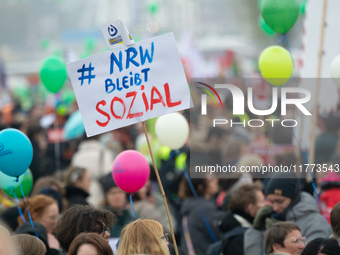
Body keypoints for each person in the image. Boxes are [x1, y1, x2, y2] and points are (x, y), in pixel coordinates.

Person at [244, 172, 332, 255]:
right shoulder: (272, 219)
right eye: (271, 201)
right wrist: (256, 230)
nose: (275, 207)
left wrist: (282, 237)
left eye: (280, 201)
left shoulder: (315, 223)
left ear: (293, 197)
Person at [211, 183, 265, 255]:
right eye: (262, 201)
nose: (267, 204)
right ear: (251, 208)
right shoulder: (238, 239)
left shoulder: (232, 225)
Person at [178, 174, 224, 255]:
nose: (216, 180)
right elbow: (221, 235)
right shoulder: (205, 209)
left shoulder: (189, 205)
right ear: (201, 187)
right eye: (211, 180)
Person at [71, 134, 114, 206]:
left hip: (81, 191)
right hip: (100, 190)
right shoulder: (103, 153)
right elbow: (109, 173)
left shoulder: (77, 156)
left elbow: (73, 174)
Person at [99, 173, 134, 237]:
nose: (117, 196)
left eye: (120, 192)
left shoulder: (133, 217)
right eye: (113, 193)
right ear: (106, 196)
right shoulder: (101, 219)